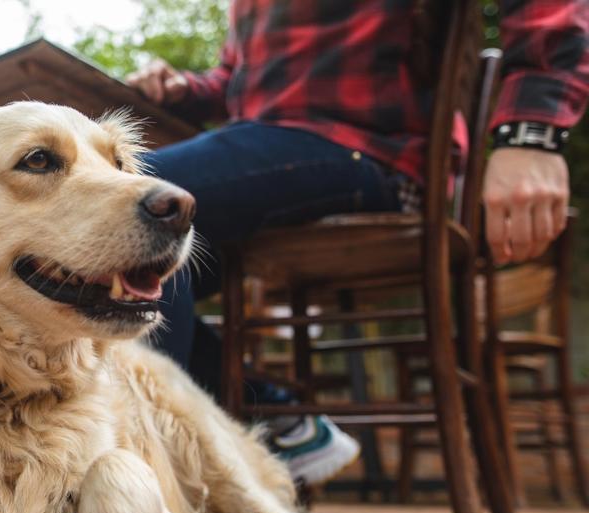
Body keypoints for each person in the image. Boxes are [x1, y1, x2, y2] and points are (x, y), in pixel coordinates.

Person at [125, 1, 588, 485]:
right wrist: (181, 89)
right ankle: (277, 420)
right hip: (270, 144)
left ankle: (147, 481)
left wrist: (530, 136)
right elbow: (236, 82)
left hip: (374, 153)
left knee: (137, 193)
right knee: (131, 260)